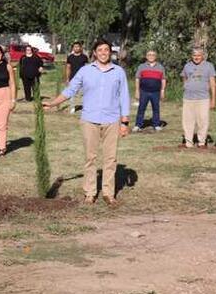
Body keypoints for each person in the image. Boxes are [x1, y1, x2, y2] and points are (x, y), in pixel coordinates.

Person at [43, 38, 130, 206]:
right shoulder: (85, 71)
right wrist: (54, 103)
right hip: (89, 120)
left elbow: (124, 96)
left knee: (110, 159)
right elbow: (71, 90)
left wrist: (124, 122)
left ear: (110, 52)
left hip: (112, 120)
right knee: (90, 158)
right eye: (100, 50)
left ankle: (108, 193)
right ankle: (90, 193)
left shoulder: (118, 72)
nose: (103, 53)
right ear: (94, 53)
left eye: (106, 50)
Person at [180, 47, 216, 148]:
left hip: (203, 98)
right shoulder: (187, 66)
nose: (196, 57)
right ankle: (188, 142)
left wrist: (213, 100)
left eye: (199, 55)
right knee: (187, 121)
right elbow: (184, 78)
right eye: (194, 55)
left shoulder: (209, 66)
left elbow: (213, 84)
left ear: (202, 56)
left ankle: (202, 142)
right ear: (192, 56)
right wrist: (186, 86)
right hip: (188, 98)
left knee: (203, 120)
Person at [133, 50, 167, 132]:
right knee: (141, 108)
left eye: (153, 55)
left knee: (156, 108)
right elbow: (137, 79)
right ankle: (138, 125)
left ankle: (156, 124)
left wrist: (162, 91)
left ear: (156, 56)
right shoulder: (141, 66)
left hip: (156, 92)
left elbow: (163, 80)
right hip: (144, 91)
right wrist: (137, 90)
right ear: (146, 56)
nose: (151, 56)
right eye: (149, 55)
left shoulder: (160, 67)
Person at [65, 41, 89, 114]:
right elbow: (68, 68)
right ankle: (73, 108)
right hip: (73, 78)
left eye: (78, 46)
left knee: (84, 94)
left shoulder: (84, 57)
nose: (76, 48)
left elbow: (87, 67)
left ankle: (85, 108)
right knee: (72, 94)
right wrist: (67, 78)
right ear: (73, 48)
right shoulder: (70, 57)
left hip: (83, 78)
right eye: (75, 47)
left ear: (80, 48)